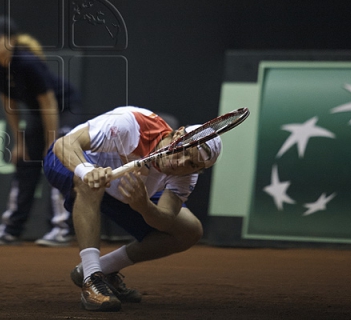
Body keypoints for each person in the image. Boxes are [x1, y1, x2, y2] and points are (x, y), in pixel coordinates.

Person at [43, 106, 222, 311]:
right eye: (184, 151)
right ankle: (92, 279)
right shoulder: (132, 124)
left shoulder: (185, 175)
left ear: (199, 170)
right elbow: (64, 144)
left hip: (123, 185)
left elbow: (164, 219)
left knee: (189, 230)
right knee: (90, 184)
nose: (179, 162)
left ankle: (104, 268)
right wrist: (86, 171)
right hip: (70, 162)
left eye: (190, 164)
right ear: (179, 134)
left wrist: (144, 207)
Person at [0, 15, 82, 247]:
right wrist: (19, 142)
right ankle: (11, 229)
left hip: (64, 109)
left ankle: (62, 228)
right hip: (39, 114)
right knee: (25, 163)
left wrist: (52, 142)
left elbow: (49, 103)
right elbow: (9, 103)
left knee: (59, 161)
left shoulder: (27, 62)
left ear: (11, 41)